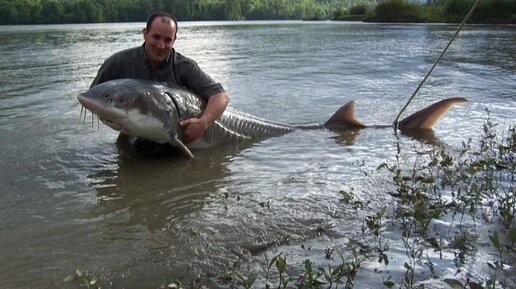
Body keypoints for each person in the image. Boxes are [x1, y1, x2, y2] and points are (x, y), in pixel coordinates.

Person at [90, 11, 229, 145]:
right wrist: (119, 122)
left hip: (176, 135)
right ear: (145, 34)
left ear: (174, 40)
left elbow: (220, 96)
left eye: (168, 40)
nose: (161, 46)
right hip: (137, 131)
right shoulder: (118, 62)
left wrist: (203, 123)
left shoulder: (184, 66)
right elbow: (93, 97)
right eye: (156, 37)